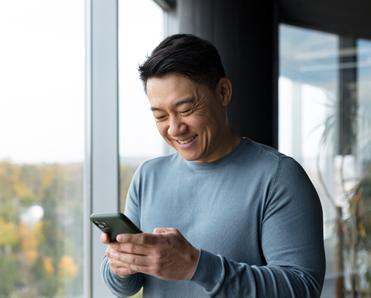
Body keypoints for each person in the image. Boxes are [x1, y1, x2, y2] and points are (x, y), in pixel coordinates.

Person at [100, 33, 326, 297]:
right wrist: (120, 265)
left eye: (185, 110)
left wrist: (197, 266)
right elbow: (125, 286)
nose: (175, 128)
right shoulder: (148, 176)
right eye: (160, 115)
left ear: (223, 92)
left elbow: (302, 288)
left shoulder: (279, 177)